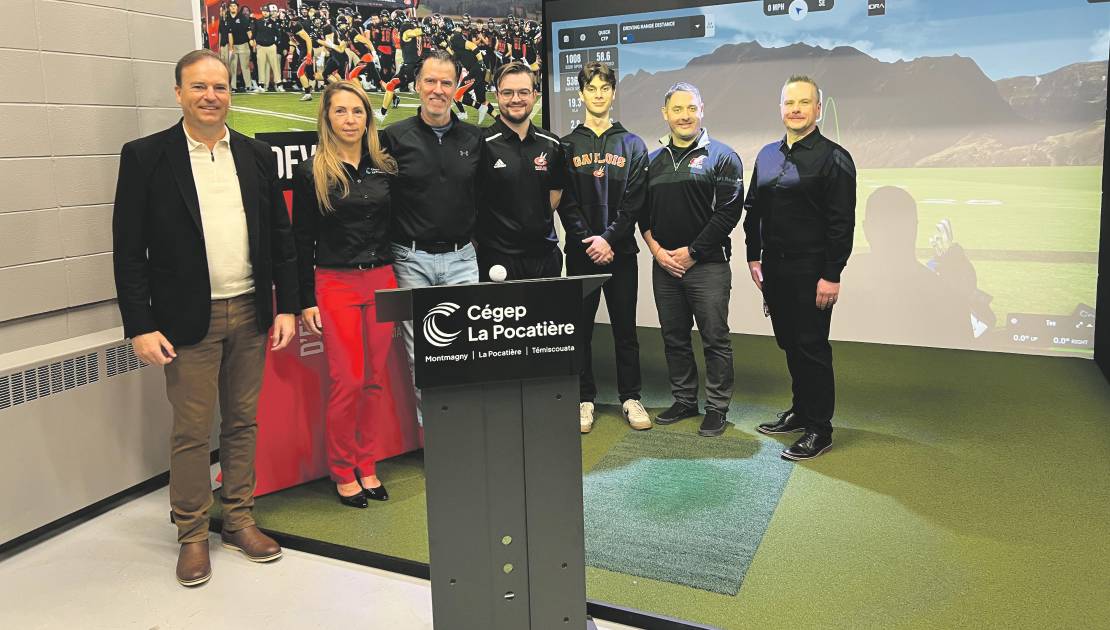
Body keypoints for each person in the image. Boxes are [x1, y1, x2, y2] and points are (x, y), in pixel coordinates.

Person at [112, 49, 298, 587]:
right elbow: (129, 250)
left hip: (250, 311)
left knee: (242, 422)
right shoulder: (146, 156)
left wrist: (285, 304)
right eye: (198, 87)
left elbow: (280, 239)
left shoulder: (256, 155)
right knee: (193, 432)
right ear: (178, 93)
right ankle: (192, 534)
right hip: (183, 321)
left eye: (219, 86)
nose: (210, 96)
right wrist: (140, 325)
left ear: (230, 93)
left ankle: (239, 520)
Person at [292, 81, 396, 509]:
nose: (350, 119)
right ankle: (342, 470)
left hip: (383, 279)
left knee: (375, 380)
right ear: (327, 118)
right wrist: (304, 299)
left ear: (368, 118)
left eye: (357, 111)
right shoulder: (312, 171)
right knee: (348, 380)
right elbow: (300, 241)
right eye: (341, 111)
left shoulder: (385, 166)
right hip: (334, 283)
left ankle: (367, 463)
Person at [743, 75, 856, 460]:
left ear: (818, 108)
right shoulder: (766, 155)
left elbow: (842, 224)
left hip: (813, 273)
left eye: (804, 102)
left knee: (811, 348)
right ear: (781, 109)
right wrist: (753, 255)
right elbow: (753, 209)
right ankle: (801, 410)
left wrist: (832, 274)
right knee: (789, 343)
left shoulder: (834, 158)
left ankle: (820, 429)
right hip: (775, 270)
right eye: (789, 102)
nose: (795, 109)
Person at [380, 48, 482, 419]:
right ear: (417, 85)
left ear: (456, 87)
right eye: (431, 81)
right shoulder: (394, 137)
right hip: (412, 260)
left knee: (463, 349)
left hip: (461, 260)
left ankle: (463, 429)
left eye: (446, 82)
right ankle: (436, 438)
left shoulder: (474, 138)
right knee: (420, 355)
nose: (438, 89)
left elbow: (483, 196)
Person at [641, 82, 743, 438]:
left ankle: (717, 408)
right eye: (677, 109)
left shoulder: (723, 156)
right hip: (664, 265)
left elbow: (728, 213)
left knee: (715, 338)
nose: (685, 115)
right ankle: (684, 399)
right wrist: (657, 252)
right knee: (675, 338)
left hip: (708, 266)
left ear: (702, 110)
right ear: (665, 114)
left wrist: (692, 253)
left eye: (691, 108)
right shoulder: (650, 162)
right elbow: (643, 216)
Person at [559, 62, 650, 433]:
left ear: (614, 93)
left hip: (621, 254)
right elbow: (566, 202)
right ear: (580, 93)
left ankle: (631, 397)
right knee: (580, 330)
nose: (598, 94)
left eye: (604, 87)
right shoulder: (566, 145)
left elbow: (634, 203)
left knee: (625, 330)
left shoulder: (633, 144)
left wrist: (609, 239)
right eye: (591, 87)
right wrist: (590, 241)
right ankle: (584, 398)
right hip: (582, 255)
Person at [475, 61, 566, 282]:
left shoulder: (552, 144)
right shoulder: (482, 144)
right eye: (508, 92)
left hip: (545, 257)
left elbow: (555, 194)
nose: (516, 99)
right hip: (497, 260)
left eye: (523, 92)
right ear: (497, 95)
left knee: (548, 317)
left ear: (534, 95)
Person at [252, 4, 280, 92]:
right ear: (262, 12)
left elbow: (278, 35)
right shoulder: (258, 22)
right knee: (261, 66)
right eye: (264, 11)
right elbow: (254, 34)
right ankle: (261, 85)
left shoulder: (273, 22)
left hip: (271, 46)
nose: (265, 13)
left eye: (267, 11)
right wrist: (255, 43)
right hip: (260, 47)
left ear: (269, 12)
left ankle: (278, 84)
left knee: (275, 66)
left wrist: (275, 43)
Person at [226, 2, 253, 92]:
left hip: (243, 45)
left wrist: (251, 40)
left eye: (234, 6)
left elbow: (248, 31)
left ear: (237, 8)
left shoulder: (242, 18)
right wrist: (231, 47)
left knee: (245, 66)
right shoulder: (227, 18)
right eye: (231, 6)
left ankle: (248, 85)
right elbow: (229, 34)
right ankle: (233, 86)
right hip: (233, 45)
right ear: (229, 8)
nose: (233, 8)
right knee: (232, 67)